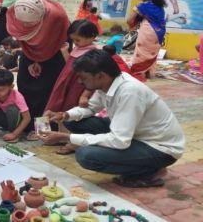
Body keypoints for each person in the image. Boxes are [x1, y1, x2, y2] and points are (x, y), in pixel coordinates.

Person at [42, 49, 185, 188]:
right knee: (72, 120)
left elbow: (119, 141)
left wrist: (66, 137)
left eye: (83, 78)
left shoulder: (129, 92)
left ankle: (148, 171)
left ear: (100, 75)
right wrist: (64, 115)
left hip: (160, 148)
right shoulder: (107, 82)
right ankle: (140, 163)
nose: (79, 82)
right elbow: (91, 108)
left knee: (86, 155)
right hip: (133, 133)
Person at [6, 0, 70, 140]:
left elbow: (56, 41)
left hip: (55, 52)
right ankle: (27, 126)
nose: (26, 27)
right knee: (25, 85)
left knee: (46, 91)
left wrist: (41, 60)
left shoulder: (56, 18)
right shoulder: (15, 11)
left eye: (31, 24)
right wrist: (32, 60)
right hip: (29, 53)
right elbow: (23, 37)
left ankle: (43, 129)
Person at [44, 20, 96, 154]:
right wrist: (65, 52)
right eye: (74, 40)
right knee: (61, 110)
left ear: (91, 37)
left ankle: (72, 142)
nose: (76, 43)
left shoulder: (92, 53)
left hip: (77, 88)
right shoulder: (79, 48)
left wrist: (85, 94)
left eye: (78, 40)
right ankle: (62, 137)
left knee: (72, 112)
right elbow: (72, 65)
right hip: (66, 85)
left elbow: (93, 78)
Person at [0, 69, 31, 143]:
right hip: (4, 121)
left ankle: (16, 133)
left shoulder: (17, 97)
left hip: (15, 121)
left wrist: (14, 134)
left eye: (1, 90)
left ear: (11, 86)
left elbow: (27, 118)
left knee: (12, 109)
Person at [127, 0, 166, 81]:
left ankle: (139, 73)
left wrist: (133, 26)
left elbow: (129, 20)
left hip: (147, 30)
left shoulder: (142, 6)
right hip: (159, 33)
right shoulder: (160, 7)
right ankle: (149, 73)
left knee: (142, 51)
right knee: (151, 52)